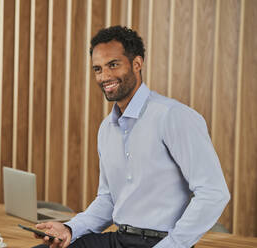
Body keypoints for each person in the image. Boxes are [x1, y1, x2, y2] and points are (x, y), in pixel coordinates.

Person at [34, 26, 230, 248]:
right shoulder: (107, 128)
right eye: (97, 69)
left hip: (163, 242)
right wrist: (70, 228)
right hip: (119, 239)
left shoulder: (173, 116)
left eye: (113, 65)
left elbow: (214, 193)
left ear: (137, 64)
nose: (104, 76)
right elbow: (108, 200)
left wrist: (173, 245)